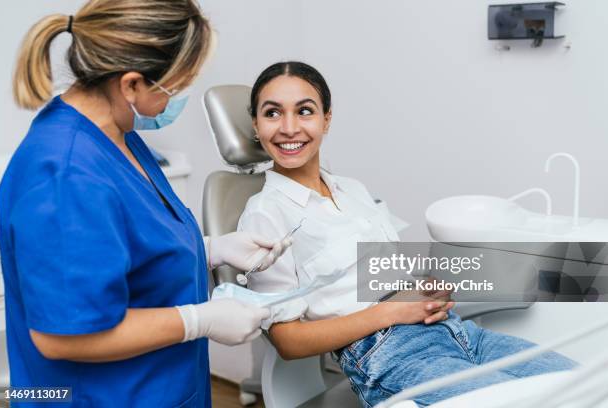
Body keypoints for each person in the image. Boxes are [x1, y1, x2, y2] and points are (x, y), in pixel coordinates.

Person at [0, 1, 291, 407]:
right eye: (177, 84)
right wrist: (199, 320)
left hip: (162, 386)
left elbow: (123, 247)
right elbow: (61, 335)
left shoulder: (119, 134)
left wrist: (210, 249)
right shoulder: (64, 175)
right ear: (132, 83)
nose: (180, 94)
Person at [237, 61, 577, 407]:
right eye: (273, 113)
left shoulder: (351, 189)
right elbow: (288, 341)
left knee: (580, 387)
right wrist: (395, 312)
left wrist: (425, 290)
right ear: (256, 124)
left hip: (457, 332)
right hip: (387, 355)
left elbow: (379, 277)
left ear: (326, 119)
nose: (289, 127)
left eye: (305, 111)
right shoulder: (265, 213)